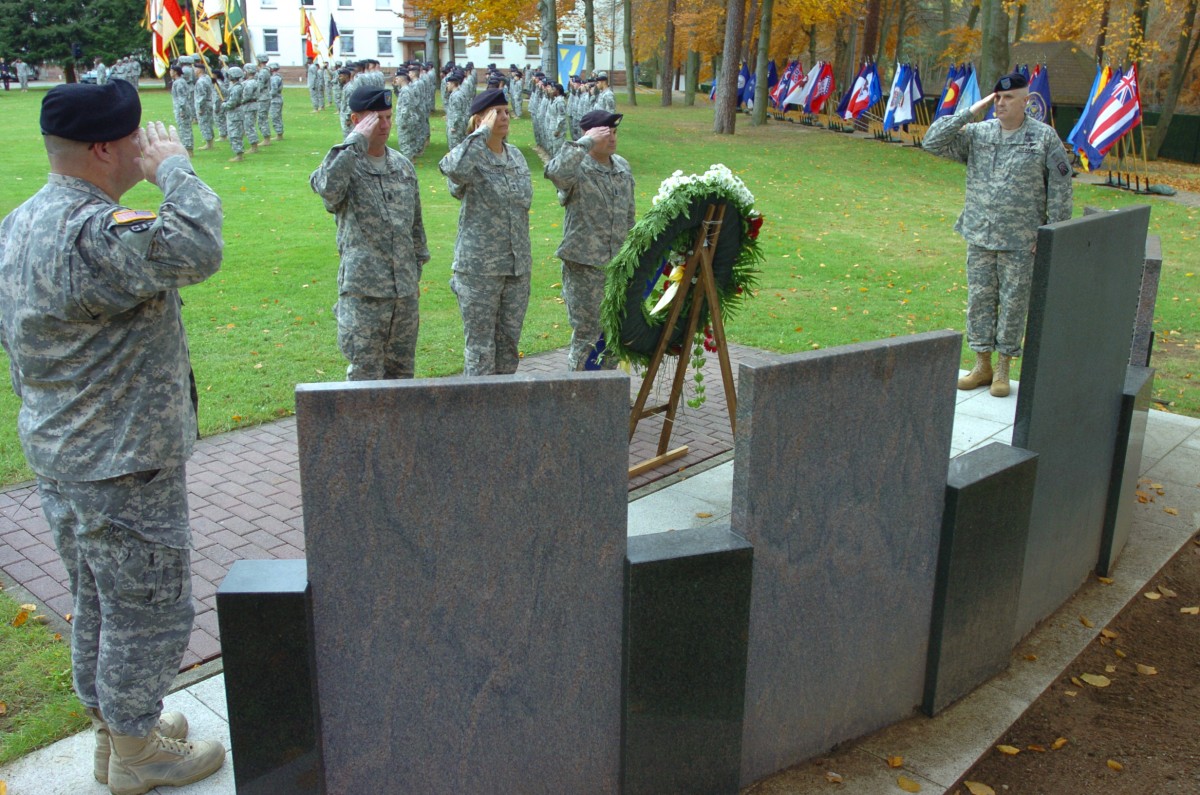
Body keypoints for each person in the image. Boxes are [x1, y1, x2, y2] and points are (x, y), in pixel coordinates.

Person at [0, 80, 225, 795]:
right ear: (103, 148)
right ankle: (137, 755)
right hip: (123, 462)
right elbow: (197, 244)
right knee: (149, 612)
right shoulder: (97, 234)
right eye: (135, 135)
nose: (146, 143)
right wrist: (177, 169)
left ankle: (117, 733)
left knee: (98, 599)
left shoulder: (21, 222)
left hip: (64, 453)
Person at [923, 71, 1074, 397]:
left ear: (1026, 101)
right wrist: (970, 110)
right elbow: (932, 141)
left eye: (1008, 98)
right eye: (997, 98)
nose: (1001, 103)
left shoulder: (1043, 138)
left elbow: (1061, 192)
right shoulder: (979, 133)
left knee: (1013, 304)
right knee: (979, 302)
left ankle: (1003, 369)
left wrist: (1050, 235)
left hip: (1022, 241)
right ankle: (981, 365)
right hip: (980, 233)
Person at [310, 87, 429, 380]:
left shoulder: (402, 166)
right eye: (377, 119)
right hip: (363, 296)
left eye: (389, 117)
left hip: (403, 296)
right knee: (365, 379)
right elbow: (327, 188)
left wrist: (412, 277)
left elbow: (415, 230)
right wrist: (355, 143)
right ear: (356, 120)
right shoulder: (344, 164)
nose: (386, 125)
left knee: (402, 376)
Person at [439, 89, 533, 376]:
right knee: (480, 350)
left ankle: (503, 412)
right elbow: (451, 168)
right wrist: (481, 133)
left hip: (516, 267)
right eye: (497, 112)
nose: (504, 117)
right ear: (479, 119)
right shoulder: (469, 156)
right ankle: (476, 416)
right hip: (479, 269)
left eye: (506, 111)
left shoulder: (515, 155)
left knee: (508, 347)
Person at [544, 109, 636, 371]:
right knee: (587, 337)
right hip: (584, 267)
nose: (612, 138)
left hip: (617, 265)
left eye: (615, 132)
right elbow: (554, 172)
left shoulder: (622, 167)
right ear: (591, 134)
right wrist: (585, 144)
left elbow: (630, 216)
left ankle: (606, 397)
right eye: (605, 133)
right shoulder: (576, 167)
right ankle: (579, 400)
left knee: (613, 336)